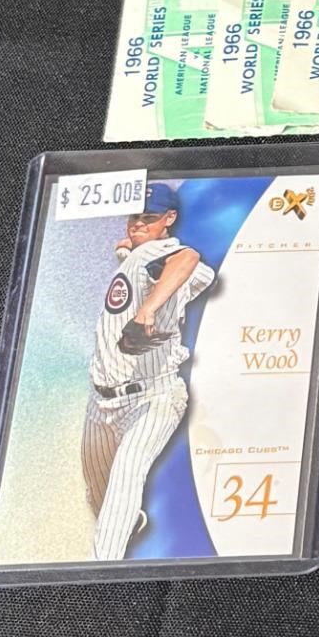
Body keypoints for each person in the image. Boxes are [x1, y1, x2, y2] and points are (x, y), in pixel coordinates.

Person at [83, 183, 215, 560]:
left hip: (153, 397)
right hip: (101, 402)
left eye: (149, 217)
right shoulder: (141, 255)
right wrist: (128, 254)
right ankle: (128, 524)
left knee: (127, 475)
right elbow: (199, 275)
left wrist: (148, 310)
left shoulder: (163, 251)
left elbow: (187, 258)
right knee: (99, 493)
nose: (138, 224)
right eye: (134, 217)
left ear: (169, 218)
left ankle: (101, 571)